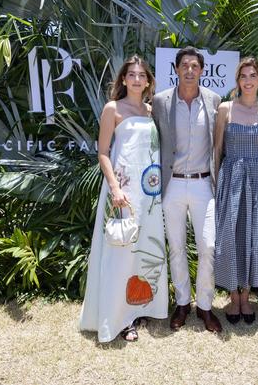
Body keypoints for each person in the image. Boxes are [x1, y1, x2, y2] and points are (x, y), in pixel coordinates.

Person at [79, 55, 168, 342]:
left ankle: (140, 308)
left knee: (144, 250)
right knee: (121, 252)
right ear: (123, 79)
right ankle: (119, 318)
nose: (137, 79)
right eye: (132, 74)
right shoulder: (112, 109)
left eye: (142, 75)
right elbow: (103, 152)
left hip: (149, 195)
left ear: (148, 81)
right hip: (124, 191)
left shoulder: (151, 111)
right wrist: (115, 188)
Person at [152, 46, 223, 333]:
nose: (190, 70)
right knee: (177, 247)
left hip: (204, 183)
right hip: (172, 185)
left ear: (203, 70)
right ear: (177, 69)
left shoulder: (215, 101)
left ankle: (205, 306)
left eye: (195, 66)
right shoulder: (160, 102)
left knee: (208, 246)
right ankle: (182, 303)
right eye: (185, 65)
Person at [213, 57, 258, 325]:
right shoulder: (225, 109)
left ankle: (247, 296)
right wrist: (215, 182)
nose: (248, 81)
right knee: (230, 234)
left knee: (254, 236)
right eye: (243, 76)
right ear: (237, 81)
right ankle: (233, 296)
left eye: (252, 76)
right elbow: (217, 149)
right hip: (231, 179)